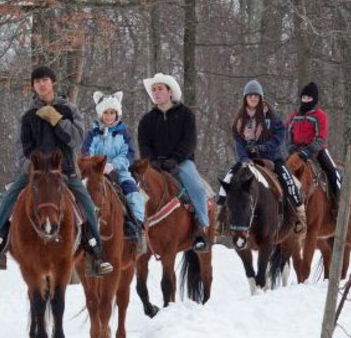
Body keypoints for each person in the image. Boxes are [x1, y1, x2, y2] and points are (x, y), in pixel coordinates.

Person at [0, 66, 114, 276]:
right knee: (8, 199)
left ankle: (96, 254)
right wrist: (34, 169)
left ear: (53, 83)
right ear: (33, 86)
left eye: (45, 80)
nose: (42, 84)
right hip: (35, 174)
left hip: (66, 172)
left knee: (86, 204)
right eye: (37, 81)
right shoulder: (28, 116)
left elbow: (76, 140)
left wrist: (58, 120)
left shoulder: (69, 110)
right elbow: (21, 149)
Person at [215, 79, 306, 234]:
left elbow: (280, 135)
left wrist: (264, 147)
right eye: (250, 96)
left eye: (256, 96)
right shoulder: (240, 120)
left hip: (271, 157)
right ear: (245, 98)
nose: (253, 98)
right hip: (248, 159)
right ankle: (219, 217)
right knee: (229, 179)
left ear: (260, 98)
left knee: (288, 179)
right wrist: (243, 157)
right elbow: (238, 141)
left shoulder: (270, 115)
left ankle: (299, 213)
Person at [137, 73, 210, 253]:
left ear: (170, 92)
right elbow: (144, 144)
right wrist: (152, 161)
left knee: (198, 188)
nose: (156, 93)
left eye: (160, 89)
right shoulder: (146, 120)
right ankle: (136, 230)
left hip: (181, 163)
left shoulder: (186, 115)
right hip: (154, 165)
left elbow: (190, 142)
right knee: (136, 189)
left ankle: (201, 229)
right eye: (154, 90)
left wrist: (175, 159)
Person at [81, 90, 146, 253]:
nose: (109, 116)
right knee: (82, 193)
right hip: (96, 173)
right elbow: (86, 154)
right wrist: (97, 164)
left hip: (119, 171)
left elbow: (129, 154)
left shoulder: (123, 133)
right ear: (100, 114)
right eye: (106, 113)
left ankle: (136, 226)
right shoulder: (92, 134)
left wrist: (114, 165)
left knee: (133, 194)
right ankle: (81, 226)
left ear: (117, 114)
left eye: (112, 113)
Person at [286, 82, 342, 209]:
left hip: (316, 151)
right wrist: (290, 146)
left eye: (309, 98)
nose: (305, 101)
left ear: (314, 100)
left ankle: (338, 204)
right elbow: (287, 133)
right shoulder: (294, 115)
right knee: (282, 171)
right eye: (303, 98)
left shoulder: (320, 115)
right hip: (296, 151)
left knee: (333, 172)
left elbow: (321, 138)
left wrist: (309, 150)